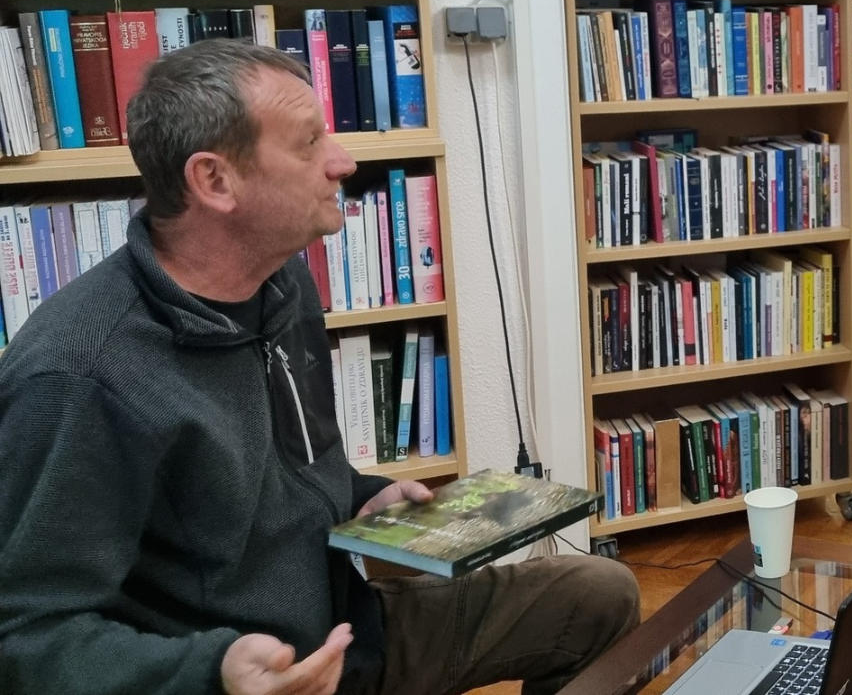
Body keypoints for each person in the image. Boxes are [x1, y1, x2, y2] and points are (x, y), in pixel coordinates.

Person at [0, 39, 640, 695]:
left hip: (344, 628)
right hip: (245, 677)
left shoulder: (281, 283)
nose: (342, 161)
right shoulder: (77, 373)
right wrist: (211, 672)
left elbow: (292, 475)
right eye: (309, 143)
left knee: (596, 595)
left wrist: (366, 499)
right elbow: (25, 636)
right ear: (214, 180)